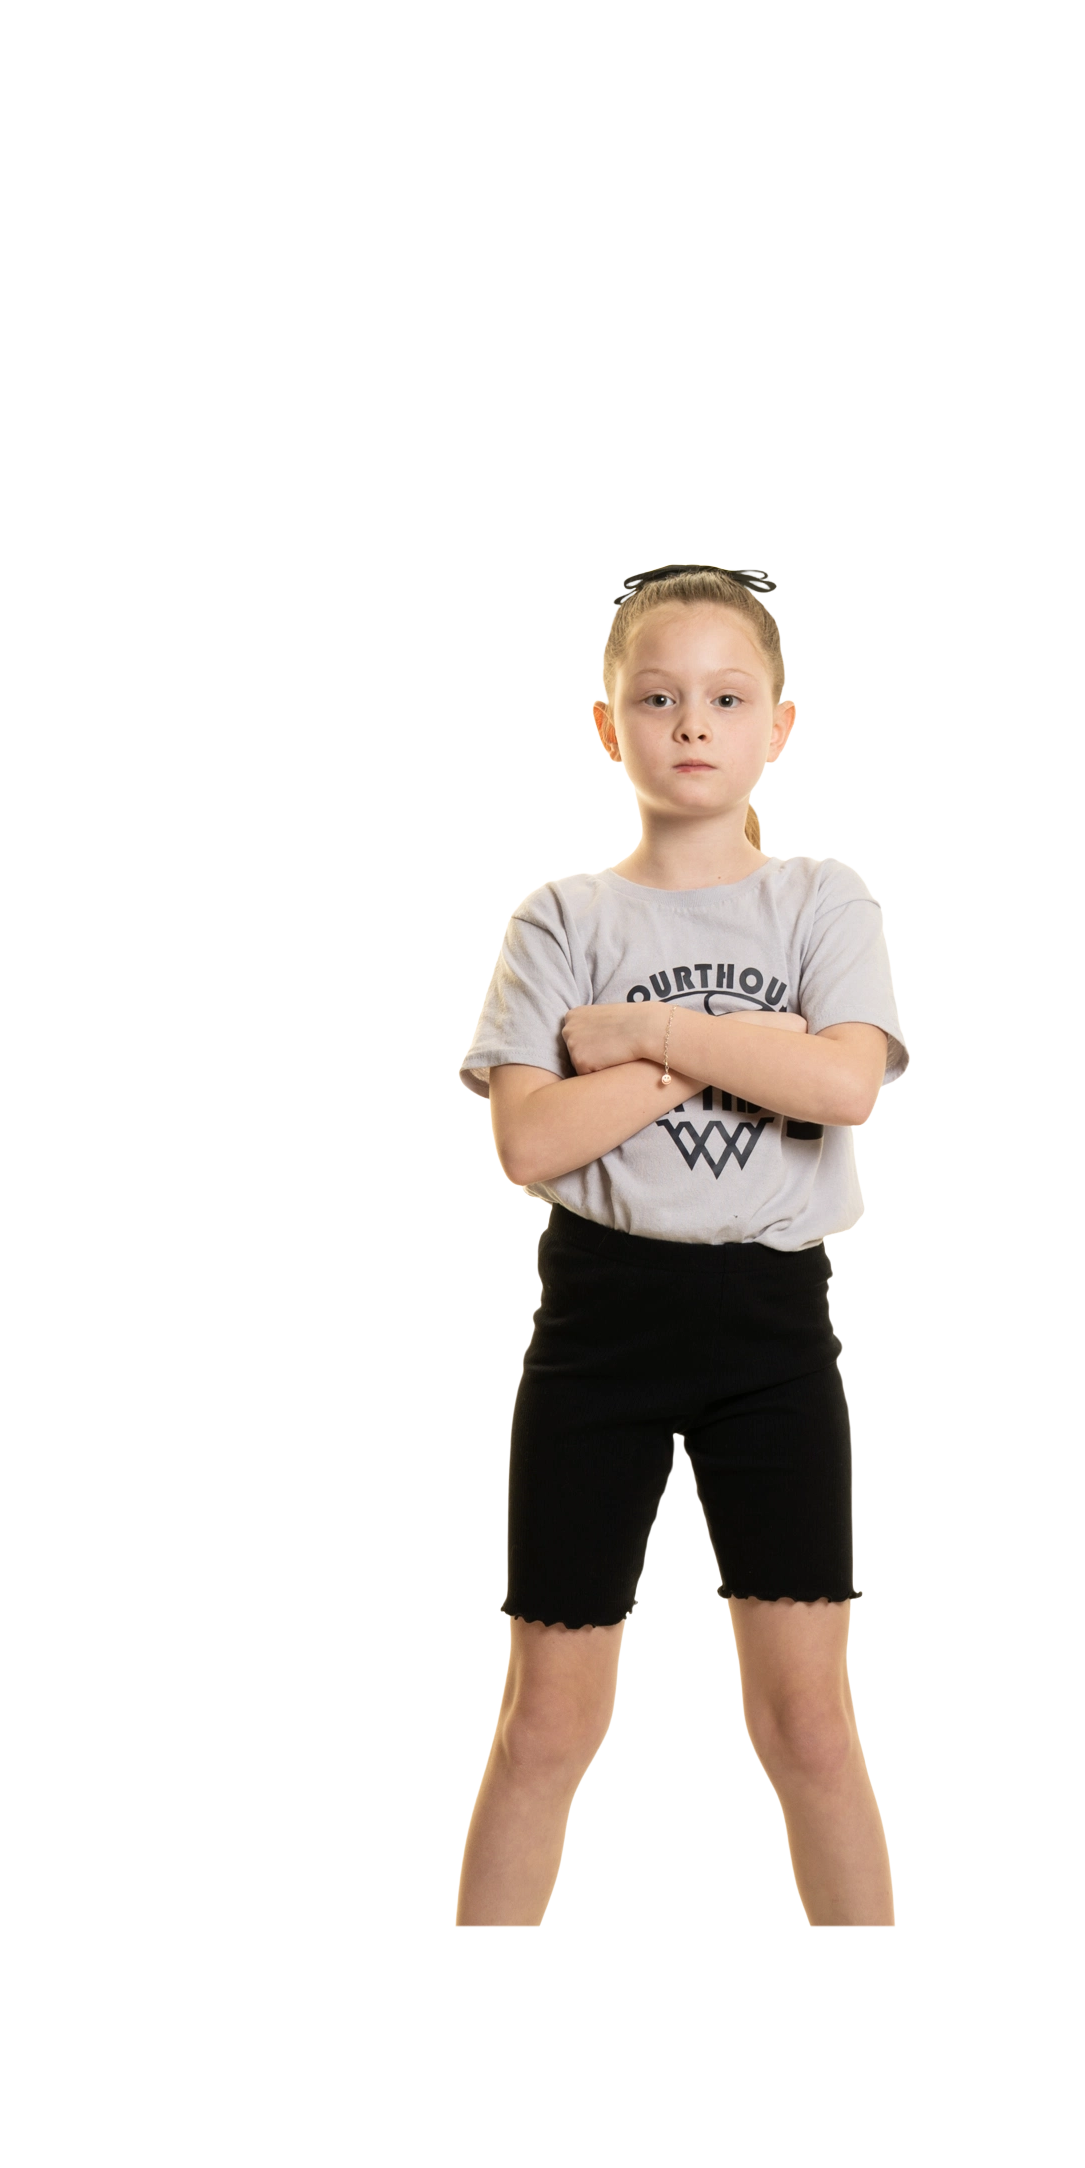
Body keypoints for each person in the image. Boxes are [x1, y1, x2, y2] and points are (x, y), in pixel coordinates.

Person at [454, 567, 909, 1927]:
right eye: (656, 699)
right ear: (609, 727)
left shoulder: (822, 902)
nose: (692, 724)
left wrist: (645, 1036)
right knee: (546, 1721)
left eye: (726, 697)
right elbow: (531, 1139)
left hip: (773, 1340)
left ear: (780, 726)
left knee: (809, 1722)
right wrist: (745, 1052)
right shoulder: (562, 921)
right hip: (598, 1334)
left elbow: (845, 1083)